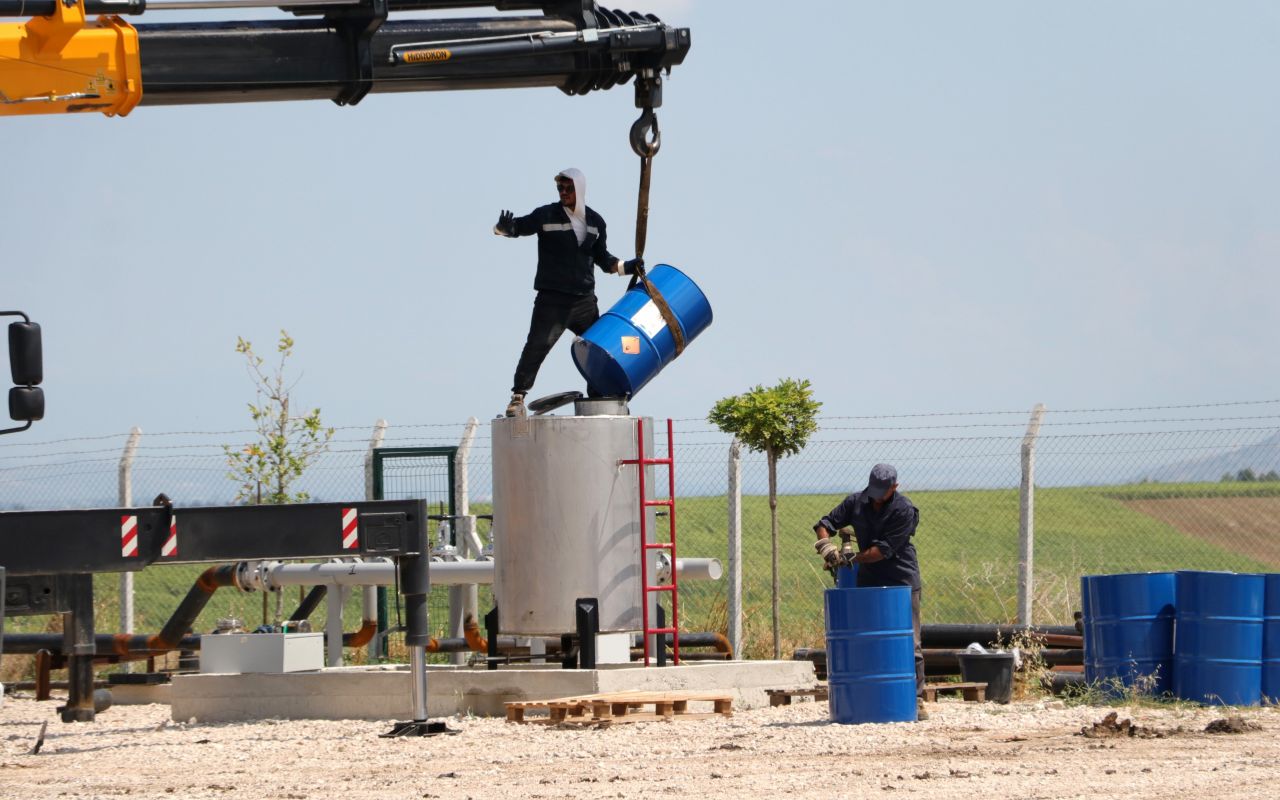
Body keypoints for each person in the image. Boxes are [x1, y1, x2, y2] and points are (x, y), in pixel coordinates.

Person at [494, 168, 643, 417]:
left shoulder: (596, 222)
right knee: (536, 347)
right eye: (560, 189)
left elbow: (603, 258)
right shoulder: (546, 215)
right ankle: (517, 397)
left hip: (584, 301)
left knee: (599, 349)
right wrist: (503, 229)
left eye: (568, 188)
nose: (563, 193)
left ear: (580, 189)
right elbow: (519, 227)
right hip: (552, 300)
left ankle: (599, 397)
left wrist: (626, 267)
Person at [812, 463, 927, 717]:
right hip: (868, 580)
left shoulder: (904, 510)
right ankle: (872, 696)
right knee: (867, 636)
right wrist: (825, 546)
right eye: (873, 490)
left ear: (894, 487)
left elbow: (881, 552)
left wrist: (849, 560)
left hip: (901, 579)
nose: (875, 497)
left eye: (881, 492)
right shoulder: (856, 502)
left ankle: (915, 699)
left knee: (910, 641)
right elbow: (824, 523)